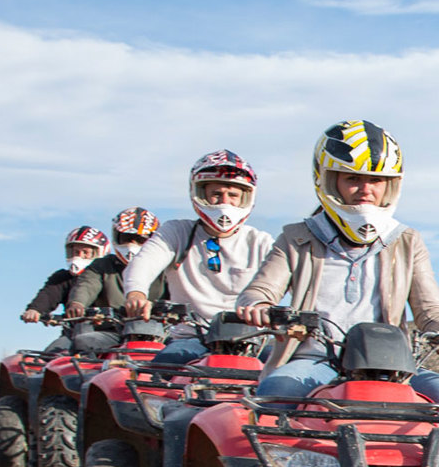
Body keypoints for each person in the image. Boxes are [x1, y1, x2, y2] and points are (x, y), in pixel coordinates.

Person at [232, 119, 439, 406]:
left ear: (391, 185)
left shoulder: (406, 241)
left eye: (376, 180)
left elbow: (430, 312)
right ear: (330, 181)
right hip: (316, 360)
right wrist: (258, 307)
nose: (366, 189)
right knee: (276, 394)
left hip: (391, 366)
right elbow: (260, 291)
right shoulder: (297, 237)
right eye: (353, 179)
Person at [123, 151, 279, 362]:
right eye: (216, 193)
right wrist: (136, 293)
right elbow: (144, 263)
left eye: (233, 195)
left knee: (285, 374)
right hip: (193, 337)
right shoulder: (176, 232)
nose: (225, 202)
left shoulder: (260, 241)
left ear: (246, 198)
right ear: (199, 193)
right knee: (163, 370)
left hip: (253, 339)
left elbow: (288, 278)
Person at [64, 208, 162, 320]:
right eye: (125, 238)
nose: (131, 245)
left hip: (157, 326)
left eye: (140, 240)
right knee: (85, 332)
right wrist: (77, 303)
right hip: (111, 327)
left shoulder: (164, 267)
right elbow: (87, 284)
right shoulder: (102, 266)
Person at [21, 227, 104, 328]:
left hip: (110, 329)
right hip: (75, 330)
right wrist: (35, 310)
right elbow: (49, 294)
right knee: (63, 340)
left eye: (85, 252)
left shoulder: (108, 276)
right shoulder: (63, 278)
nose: (79, 256)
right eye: (76, 252)